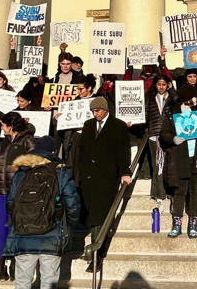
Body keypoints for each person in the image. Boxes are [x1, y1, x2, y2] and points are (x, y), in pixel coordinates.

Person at [3, 135, 81, 289]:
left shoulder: (21, 173)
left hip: (23, 235)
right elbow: (72, 204)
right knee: (48, 281)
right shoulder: (61, 172)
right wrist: (71, 224)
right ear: (53, 151)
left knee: (22, 282)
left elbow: (10, 203)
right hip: (51, 234)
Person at [70, 96, 131, 271]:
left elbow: (122, 151)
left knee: (101, 215)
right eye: (93, 111)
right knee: (92, 214)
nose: (95, 113)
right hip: (89, 177)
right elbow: (83, 150)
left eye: (97, 110)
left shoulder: (118, 126)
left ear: (105, 110)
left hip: (107, 177)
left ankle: (97, 253)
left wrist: (124, 172)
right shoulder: (89, 125)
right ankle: (95, 250)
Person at [161, 84, 197, 238]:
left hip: (196, 155)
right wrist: (173, 139)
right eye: (194, 96)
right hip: (180, 156)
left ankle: (193, 222)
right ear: (187, 98)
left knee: (196, 190)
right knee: (179, 190)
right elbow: (163, 133)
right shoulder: (172, 113)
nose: (196, 98)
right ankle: (177, 221)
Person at [0, 112, 35, 281]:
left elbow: (33, 163)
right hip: (2, 189)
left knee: (17, 226)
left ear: (11, 125)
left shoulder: (28, 140)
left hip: (19, 190)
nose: (1, 128)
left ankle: (17, 262)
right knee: (1, 226)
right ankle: (0, 264)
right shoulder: (4, 141)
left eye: (3, 125)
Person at [144, 75, 177, 211]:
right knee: (158, 166)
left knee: (171, 166)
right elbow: (145, 115)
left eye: (164, 84)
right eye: (159, 84)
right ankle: (159, 196)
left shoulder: (172, 98)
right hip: (155, 136)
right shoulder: (151, 99)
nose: (161, 87)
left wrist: (172, 89)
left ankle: (172, 193)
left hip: (169, 136)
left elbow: (178, 103)